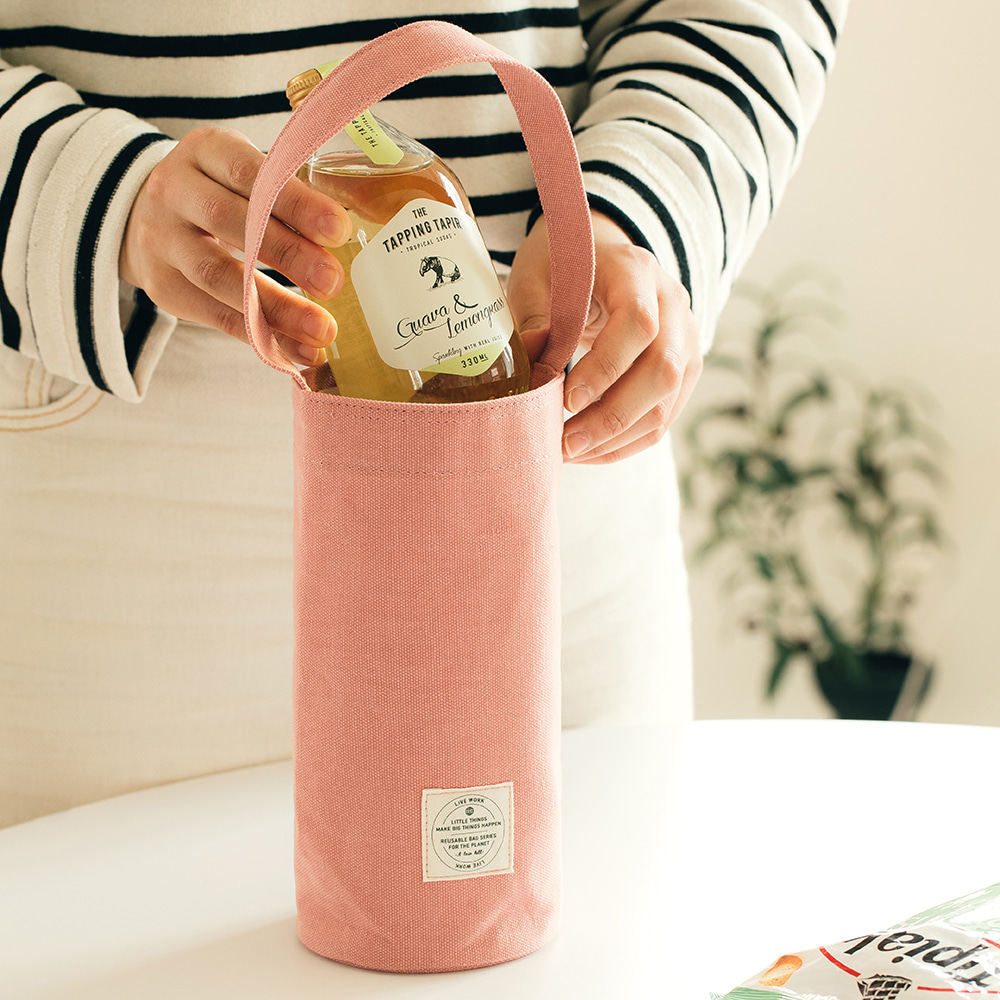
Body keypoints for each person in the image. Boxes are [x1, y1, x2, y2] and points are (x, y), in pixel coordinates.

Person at [0, 0, 847, 827]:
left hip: (542, 433)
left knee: (583, 907)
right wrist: (86, 193)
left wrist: (628, 211)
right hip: (120, 493)